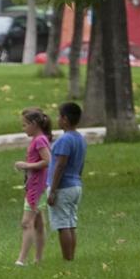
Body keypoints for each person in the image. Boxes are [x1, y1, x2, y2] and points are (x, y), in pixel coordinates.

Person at [47, 102, 86, 261]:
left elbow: (60, 164)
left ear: (64, 119)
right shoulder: (80, 139)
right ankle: (71, 257)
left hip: (63, 187)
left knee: (63, 225)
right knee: (70, 223)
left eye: (59, 116)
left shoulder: (65, 140)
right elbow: (81, 163)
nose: (57, 119)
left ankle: (67, 260)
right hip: (75, 185)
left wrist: (53, 190)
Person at [14, 108, 52, 266]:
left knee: (26, 222)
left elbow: (47, 161)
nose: (23, 129)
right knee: (38, 223)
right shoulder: (38, 139)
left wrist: (27, 165)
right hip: (35, 185)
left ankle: (21, 260)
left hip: (36, 187)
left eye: (25, 125)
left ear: (34, 124)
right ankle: (38, 258)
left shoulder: (40, 140)